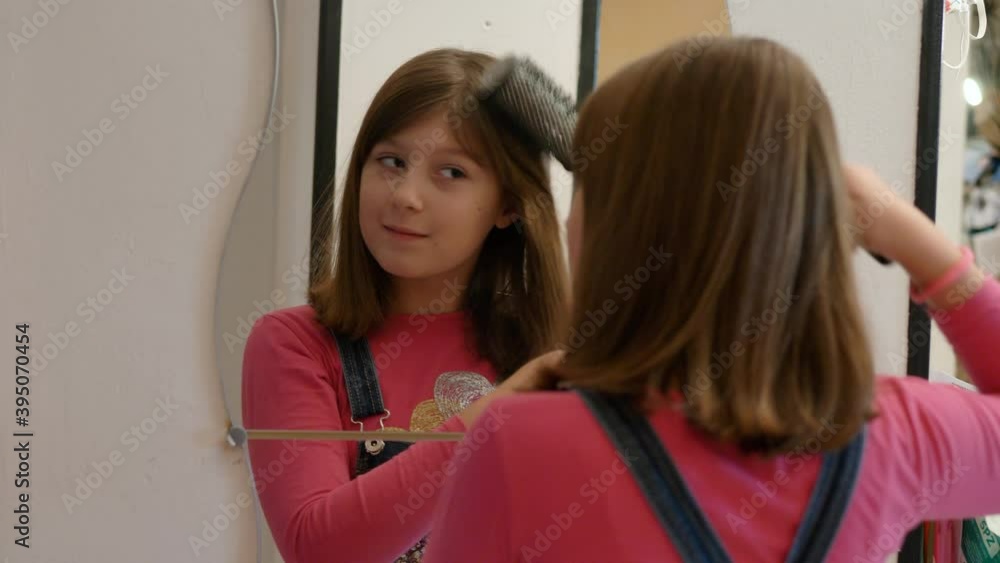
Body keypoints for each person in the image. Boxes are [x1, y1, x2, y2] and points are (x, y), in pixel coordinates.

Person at [424, 37, 1000, 562]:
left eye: (587, 194)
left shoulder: (516, 447)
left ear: (619, 236)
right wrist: (903, 231)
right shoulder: (893, 436)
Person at [241, 48, 569, 563]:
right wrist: (502, 408)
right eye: (391, 162)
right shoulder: (295, 344)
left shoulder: (554, 351)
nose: (406, 196)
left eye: (452, 173)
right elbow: (319, 549)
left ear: (508, 205)